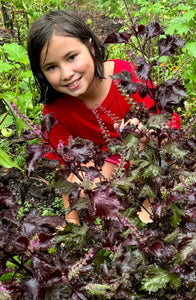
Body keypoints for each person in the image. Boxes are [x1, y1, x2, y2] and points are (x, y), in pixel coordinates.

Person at [27, 10, 181, 225]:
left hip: (145, 153)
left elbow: (168, 124)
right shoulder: (55, 112)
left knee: (160, 161)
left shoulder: (123, 76)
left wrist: (148, 132)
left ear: (91, 47)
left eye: (72, 57)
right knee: (82, 187)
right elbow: (65, 169)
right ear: (41, 72)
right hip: (109, 159)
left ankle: (150, 201)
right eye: (51, 67)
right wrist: (71, 220)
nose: (66, 73)